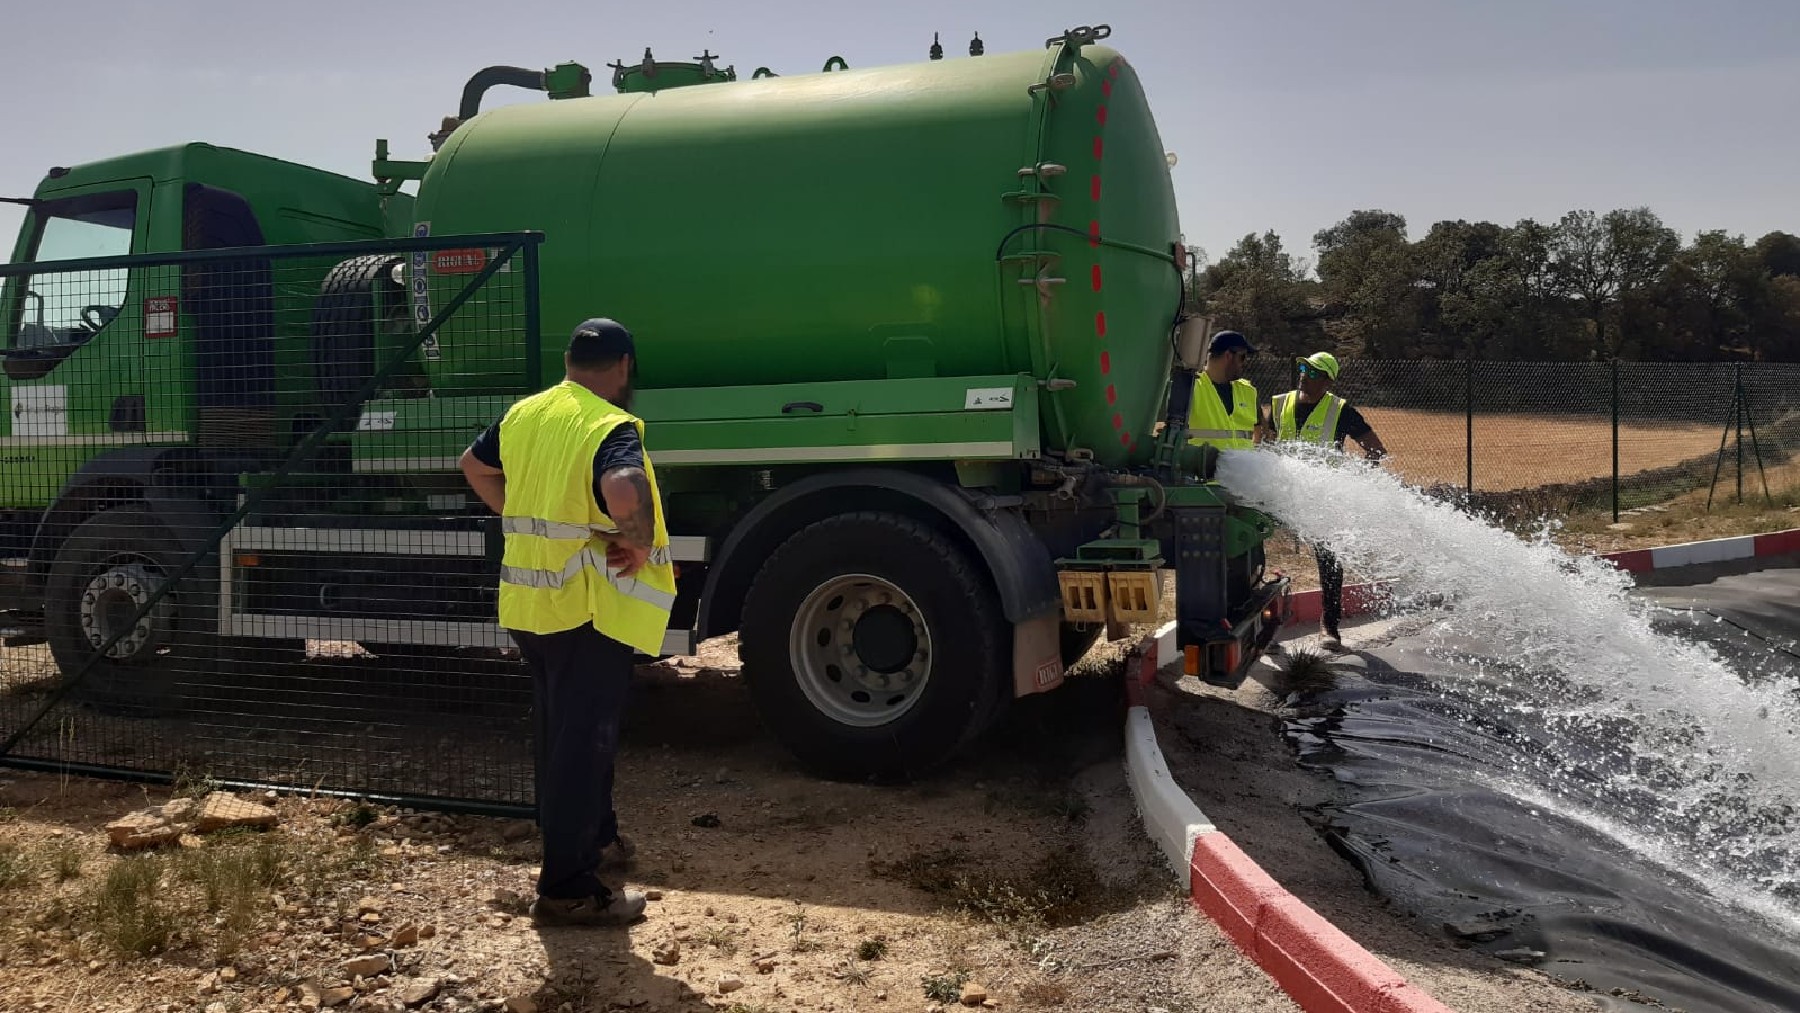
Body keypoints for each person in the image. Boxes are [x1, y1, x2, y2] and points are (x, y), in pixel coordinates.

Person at [457, 317, 677, 927]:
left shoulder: (526, 414)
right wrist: (633, 543)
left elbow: (473, 466)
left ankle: (594, 838)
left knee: (564, 731)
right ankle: (567, 888)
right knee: (584, 741)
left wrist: (516, 511)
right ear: (625, 366)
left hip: (532, 607)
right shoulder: (606, 423)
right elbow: (625, 487)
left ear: (569, 361)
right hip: (584, 609)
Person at [1268, 351, 1387, 652]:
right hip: (1280, 493)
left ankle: (1329, 626)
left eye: (1314, 371)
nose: (1305, 374)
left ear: (1328, 381)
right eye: (1304, 368)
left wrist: (1354, 484)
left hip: (1322, 500)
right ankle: (1263, 627)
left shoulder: (1341, 410)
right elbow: (1266, 444)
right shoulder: (1280, 403)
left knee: (1329, 562)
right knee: (1257, 554)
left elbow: (1376, 450)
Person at [1185, 330, 1270, 454]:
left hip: (1241, 471)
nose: (1244, 363)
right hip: (1203, 471)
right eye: (1242, 357)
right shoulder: (1192, 387)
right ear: (1228, 356)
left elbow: (1260, 431)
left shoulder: (1249, 391)